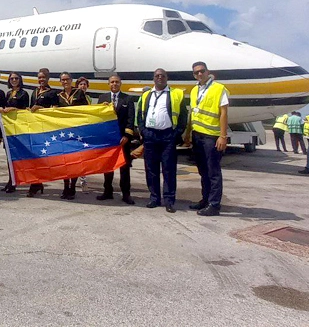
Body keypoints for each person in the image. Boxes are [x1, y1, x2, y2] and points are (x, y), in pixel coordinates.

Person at [136, 69, 186, 212]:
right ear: (153, 79)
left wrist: (177, 133)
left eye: (162, 76)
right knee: (151, 169)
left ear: (166, 78)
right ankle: (154, 198)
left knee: (168, 169)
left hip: (167, 136)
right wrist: (143, 131)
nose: (160, 78)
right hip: (150, 136)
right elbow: (140, 115)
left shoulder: (176, 94)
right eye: (157, 76)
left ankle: (169, 200)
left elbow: (183, 116)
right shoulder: (146, 95)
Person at [183, 62, 229, 217]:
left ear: (208, 71)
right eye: (196, 73)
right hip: (197, 135)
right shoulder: (195, 90)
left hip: (212, 136)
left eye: (202, 71)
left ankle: (214, 204)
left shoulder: (218, 88)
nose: (200, 74)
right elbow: (193, 113)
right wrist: (188, 133)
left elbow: (223, 113)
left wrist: (223, 136)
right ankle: (206, 199)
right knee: (203, 171)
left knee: (213, 171)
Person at [97, 75, 136, 205]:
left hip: (123, 139)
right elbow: (99, 119)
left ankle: (126, 194)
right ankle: (107, 191)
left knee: (124, 167)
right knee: (108, 166)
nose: (114, 84)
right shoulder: (102, 99)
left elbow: (131, 119)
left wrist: (127, 136)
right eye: (112, 82)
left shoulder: (128, 99)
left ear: (121, 83)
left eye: (117, 82)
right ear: (108, 84)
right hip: (108, 139)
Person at [26, 68, 58, 197]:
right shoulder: (34, 92)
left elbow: (55, 110)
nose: (41, 80)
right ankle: (37, 183)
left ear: (48, 78)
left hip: (45, 129)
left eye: (43, 77)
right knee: (34, 157)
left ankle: (37, 183)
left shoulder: (52, 93)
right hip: (34, 128)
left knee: (43, 157)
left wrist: (41, 108)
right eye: (39, 77)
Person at [57, 72, 88, 199]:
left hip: (76, 132)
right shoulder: (59, 95)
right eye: (63, 80)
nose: (65, 82)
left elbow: (86, 110)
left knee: (75, 160)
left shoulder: (79, 93)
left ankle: (72, 187)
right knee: (65, 160)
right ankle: (65, 187)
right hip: (64, 132)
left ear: (71, 80)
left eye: (67, 79)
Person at [1, 72, 29, 193]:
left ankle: (19, 181)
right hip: (9, 129)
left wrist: (13, 109)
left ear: (20, 80)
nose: (14, 80)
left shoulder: (24, 94)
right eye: (11, 78)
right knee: (9, 157)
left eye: (16, 78)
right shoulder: (8, 94)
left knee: (20, 157)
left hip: (19, 129)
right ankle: (11, 179)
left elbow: (25, 111)